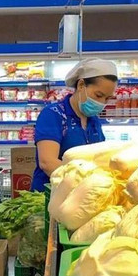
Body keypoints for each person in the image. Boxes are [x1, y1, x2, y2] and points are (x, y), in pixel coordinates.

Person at [31, 59, 119, 190]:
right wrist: (86, 183)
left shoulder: (94, 121)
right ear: (81, 85)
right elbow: (47, 162)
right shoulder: (53, 114)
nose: (102, 103)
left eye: (107, 98)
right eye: (98, 95)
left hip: (83, 196)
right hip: (49, 195)